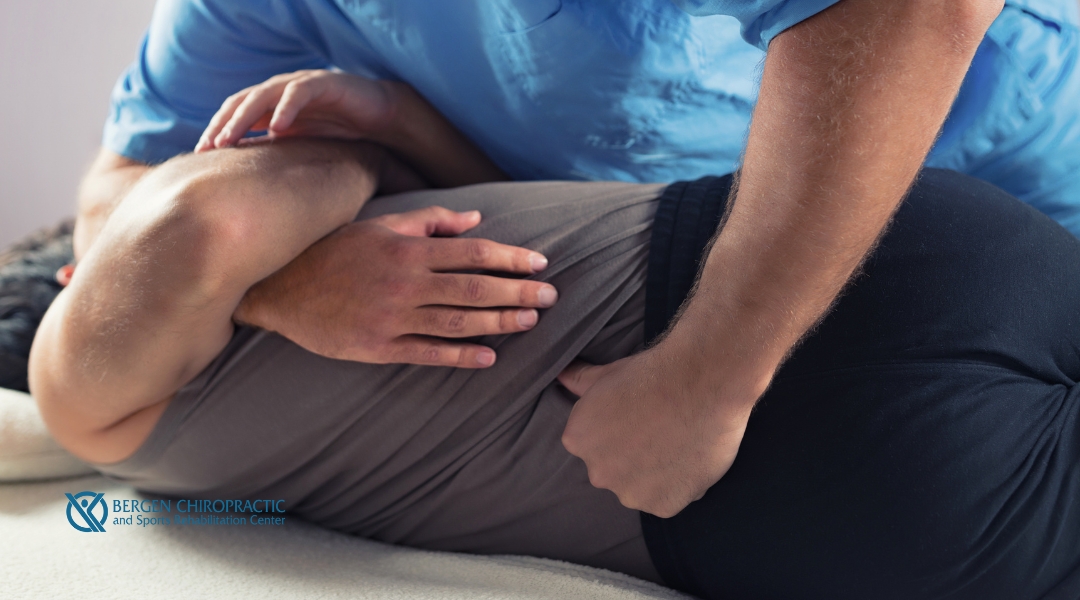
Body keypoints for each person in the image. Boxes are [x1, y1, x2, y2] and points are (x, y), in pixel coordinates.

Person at [17, 73, 1077, 597]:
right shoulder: (106, 386)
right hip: (907, 276)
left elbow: (207, 223)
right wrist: (346, 183)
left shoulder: (123, 426)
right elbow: (209, 220)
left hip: (790, 477)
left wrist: (298, 248)